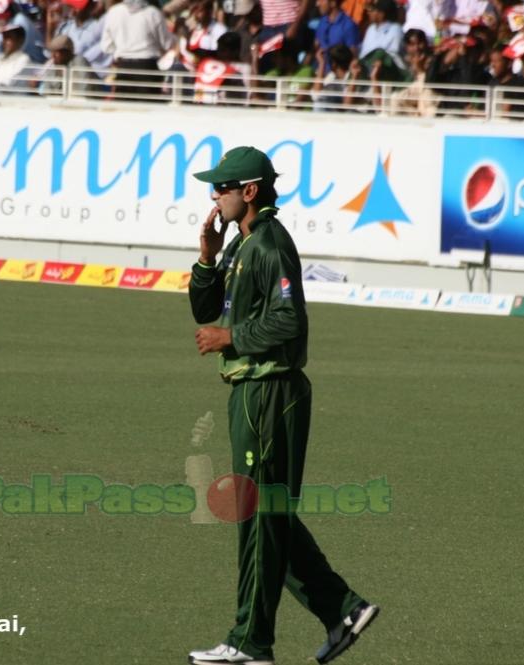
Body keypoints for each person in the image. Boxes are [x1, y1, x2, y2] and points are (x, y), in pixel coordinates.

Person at [186, 145, 379, 665]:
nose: (214, 195)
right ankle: (341, 608)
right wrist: (206, 256)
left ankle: (250, 644)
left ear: (249, 191)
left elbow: (290, 321)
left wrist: (231, 338)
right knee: (264, 514)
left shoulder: (271, 244)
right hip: (251, 392)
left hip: (270, 393)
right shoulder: (239, 243)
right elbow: (205, 308)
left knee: (259, 515)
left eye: (222, 188)